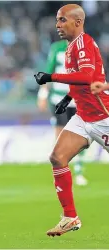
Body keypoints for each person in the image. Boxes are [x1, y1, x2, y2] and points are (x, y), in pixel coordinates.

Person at [34, 4, 109, 237]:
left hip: (102, 116)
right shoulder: (69, 47)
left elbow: (86, 77)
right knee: (57, 157)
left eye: (62, 20)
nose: (57, 25)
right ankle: (70, 217)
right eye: (57, 20)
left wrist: (50, 77)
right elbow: (82, 81)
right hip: (83, 117)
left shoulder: (84, 43)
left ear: (78, 22)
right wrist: (68, 98)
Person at [37, 40, 88, 186]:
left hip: (78, 98)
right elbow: (48, 70)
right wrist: (42, 94)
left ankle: (79, 171)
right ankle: (60, 171)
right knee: (60, 134)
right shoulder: (57, 48)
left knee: (80, 134)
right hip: (58, 98)